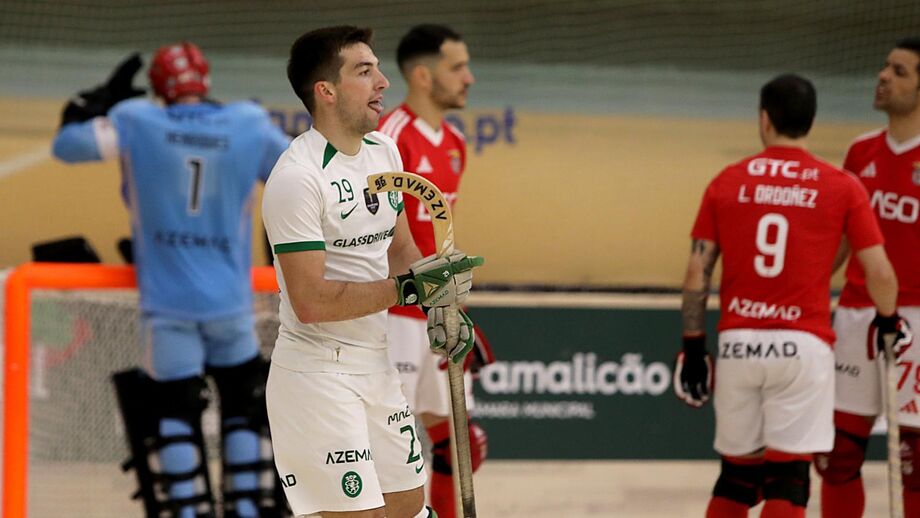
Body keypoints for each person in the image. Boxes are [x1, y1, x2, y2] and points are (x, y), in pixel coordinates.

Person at [51, 43, 291, 517]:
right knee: (245, 402)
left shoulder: (137, 119)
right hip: (230, 303)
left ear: (159, 88)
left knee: (175, 412)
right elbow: (299, 175)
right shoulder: (246, 122)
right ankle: (246, 509)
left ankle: (188, 510)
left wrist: (91, 102)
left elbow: (67, 146)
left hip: (168, 306)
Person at [262, 26, 483, 518]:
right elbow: (312, 301)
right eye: (365, 71)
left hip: (376, 362)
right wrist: (408, 290)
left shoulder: (384, 152)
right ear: (327, 91)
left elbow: (400, 248)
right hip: (318, 373)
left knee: (409, 506)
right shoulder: (297, 178)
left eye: (379, 68)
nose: (383, 82)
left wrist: (440, 301)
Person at [674, 74, 905, 518]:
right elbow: (880, 272)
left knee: (737, 478)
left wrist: (692, 346)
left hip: (740, 343)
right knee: (789, 479)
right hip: (803, 347)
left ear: (764, 120)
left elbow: (696, 272)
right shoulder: (842, 186)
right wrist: (889, 322)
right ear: (811, 122)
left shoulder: (727, 181)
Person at [377, 24, 492, 518]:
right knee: (390, 455)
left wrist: (455, 309)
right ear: (423, 75)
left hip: (435, 318)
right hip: (395, 318)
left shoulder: (455, 143)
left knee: (461, 445)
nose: (469, 77)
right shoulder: (389, 139)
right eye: (457, 67)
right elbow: (374, 239)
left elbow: (438, 240)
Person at [816, 37, 920, 518]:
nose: (883, 76)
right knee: (837, 456)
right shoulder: (860, 153)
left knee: (914, 465)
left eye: (900, 72)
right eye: (885, 67)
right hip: (856, 317)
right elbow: (841, 239)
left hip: (916, 324)